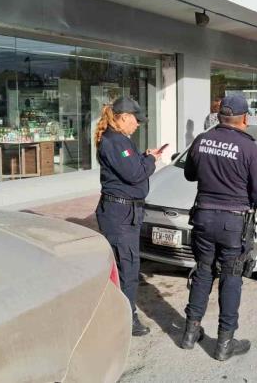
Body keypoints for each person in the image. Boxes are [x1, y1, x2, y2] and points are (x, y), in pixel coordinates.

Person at [180, 94, 257, 361]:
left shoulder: (202, 140)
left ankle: (190, 333)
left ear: (220, 116)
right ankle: (225, 342)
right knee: (231, 277)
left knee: (203, 271)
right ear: (245, 118)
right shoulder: (249, 148)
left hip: (202, 218)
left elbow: (189, 174)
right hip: (232, 223)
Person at [94, 97, 162, 337]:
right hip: (120, 214)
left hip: (124, 212)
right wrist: (151, 160)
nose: (138, 125)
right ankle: (125, 318)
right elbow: (134, 173)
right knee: (127, 269)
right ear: (123, 117)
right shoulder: (115, 141)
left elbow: (131, 166)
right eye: (135, 120)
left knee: (124, 267)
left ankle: (117, 313)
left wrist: (144, 156)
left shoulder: (120, 140)